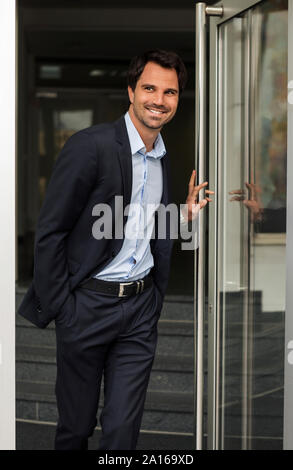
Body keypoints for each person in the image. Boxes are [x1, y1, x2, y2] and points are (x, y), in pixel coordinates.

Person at [18, 49, 213, 450]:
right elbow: (51, 231)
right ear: (130, 90)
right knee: (75, 428)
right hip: (86, 307)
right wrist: (64, 309)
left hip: (139, 311)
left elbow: (142, 227)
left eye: (170, 92)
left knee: (122, 433)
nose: (159, 100)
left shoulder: (161, 158)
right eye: (150, 88)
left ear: (179, 99)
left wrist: (185, 218)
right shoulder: (89, 146)